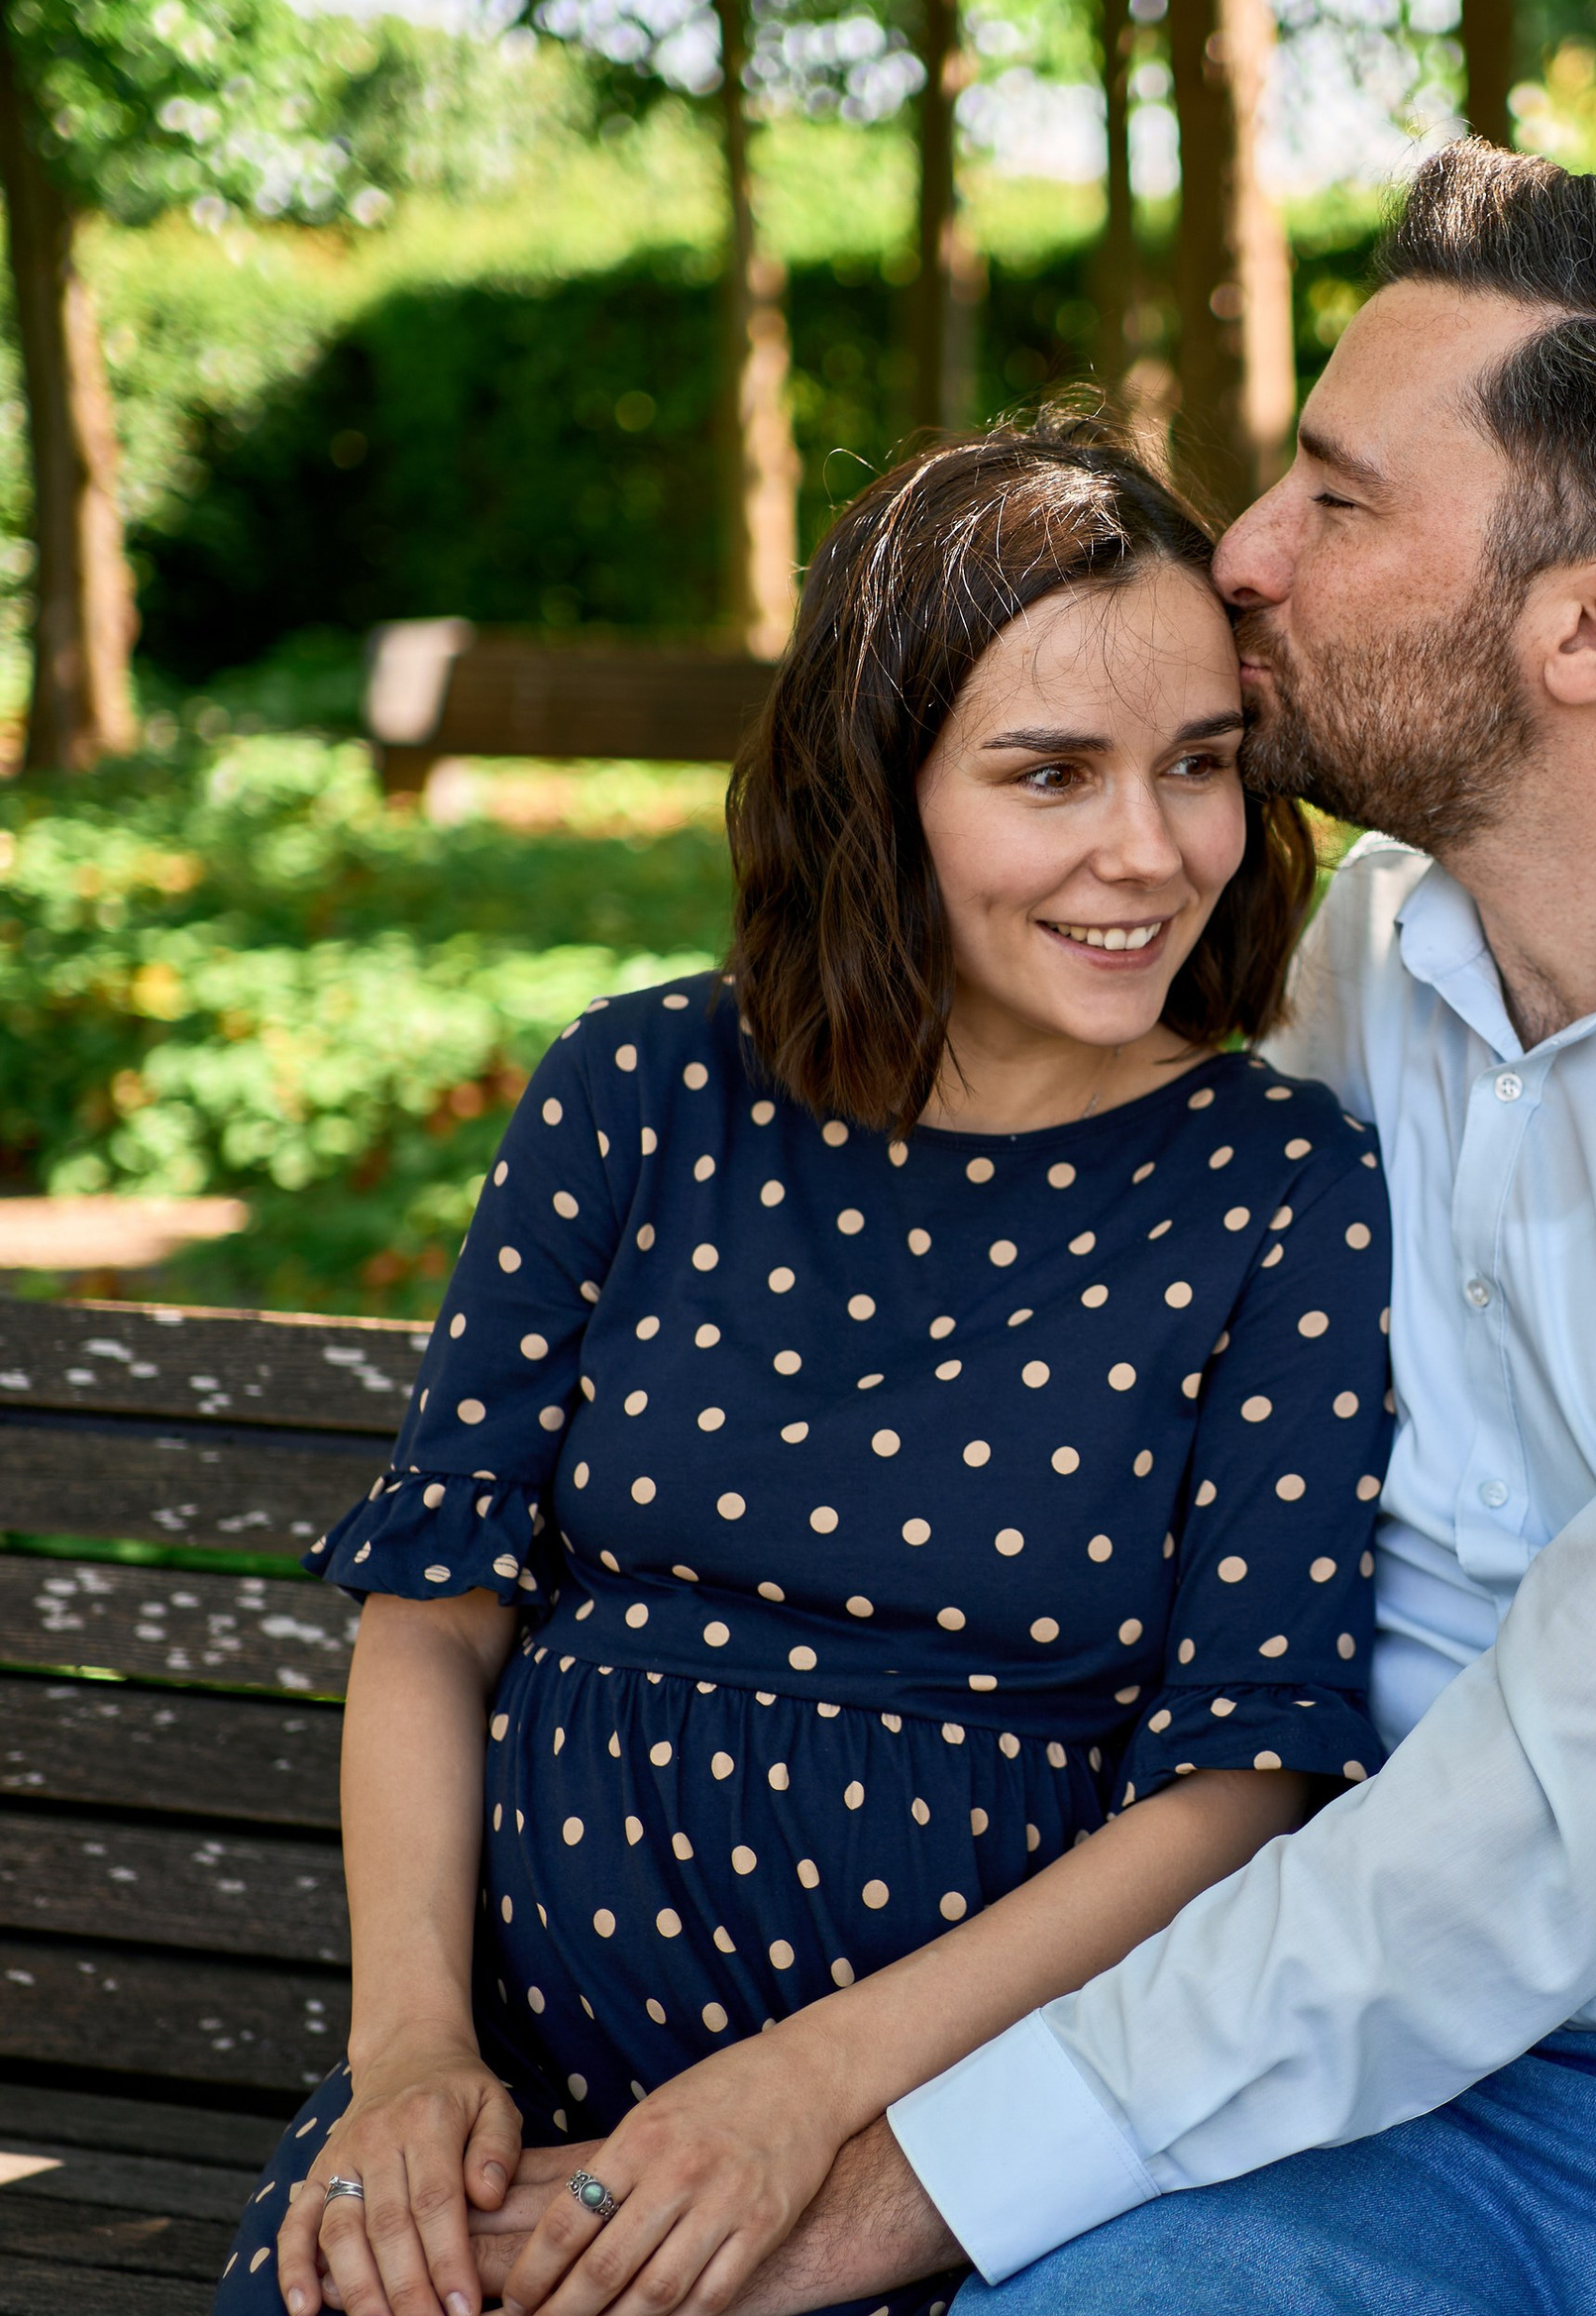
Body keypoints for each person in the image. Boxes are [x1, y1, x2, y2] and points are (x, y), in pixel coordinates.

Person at [475, 140, 1596, 2313]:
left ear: (1594, 624)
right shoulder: (1339, 973)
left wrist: (873, 2182)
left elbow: (1555, 1812)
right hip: (1395, 2118)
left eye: (1337, 501)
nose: (1242, 557)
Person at [211, 415, 1394, 2316]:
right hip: (508, 2084)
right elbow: (435, 1611)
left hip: (944, 2132)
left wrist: (807, 2097)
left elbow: (1237, 1780)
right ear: (880, 788)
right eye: (1049, 774)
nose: (1148, 851)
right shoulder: (643, 1093)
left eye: (1199, 765)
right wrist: (414, 2054)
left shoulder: (1274, 1189)